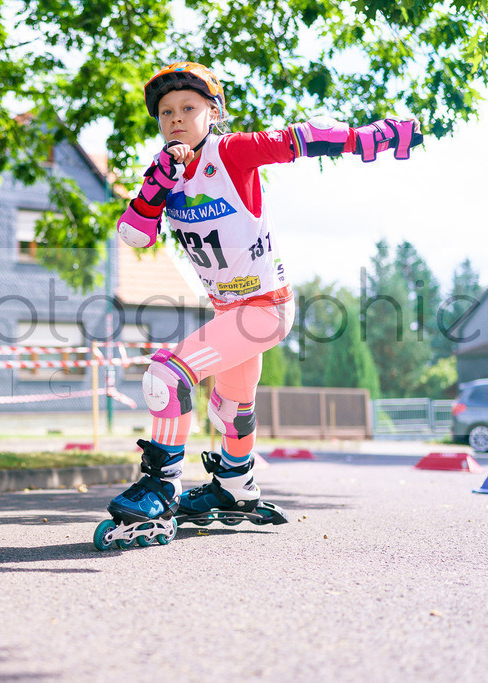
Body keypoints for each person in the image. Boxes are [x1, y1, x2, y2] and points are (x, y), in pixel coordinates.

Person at [109, 62, 421, 526]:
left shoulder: (231, 152)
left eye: (188, 108)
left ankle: (161, 485)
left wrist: (365, 137)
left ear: (213, 113)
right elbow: (136, 236)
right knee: (233, 411)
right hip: (227, 312)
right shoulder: (166, 172)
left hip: (265, 308)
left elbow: (298, 138)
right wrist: (156, 184)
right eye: (166, 111)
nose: (175, 117)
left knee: (165, 376)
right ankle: (236, 486)